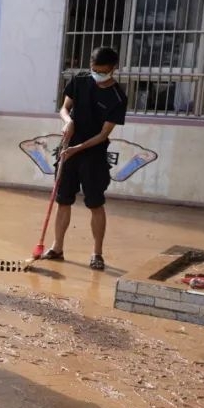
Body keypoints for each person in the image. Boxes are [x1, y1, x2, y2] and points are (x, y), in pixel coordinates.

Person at [42, 46, 128, 271]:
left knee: (95, 203)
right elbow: (64, 108)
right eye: (94, 69)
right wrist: (67, 121)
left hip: (93, 153)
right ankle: (57, 247)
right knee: (63, 200)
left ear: (113, 68)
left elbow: (103, 135)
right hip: (68, 148)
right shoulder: (80, 80)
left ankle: (97, 253)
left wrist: (78, 148)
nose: (97, 74)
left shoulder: (118, 97)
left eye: (102, 70)